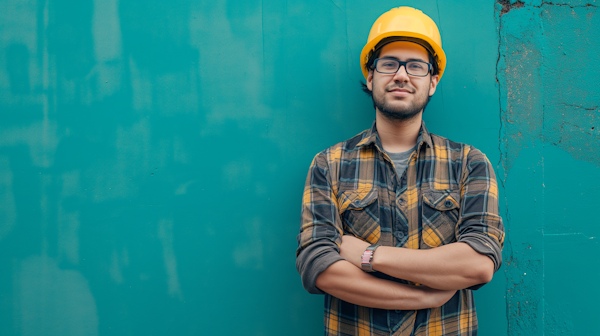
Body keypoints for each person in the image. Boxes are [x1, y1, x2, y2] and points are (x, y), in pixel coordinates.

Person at [295, 6, 505, 336]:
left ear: (433, 82)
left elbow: (478, 263)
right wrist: (421, 297)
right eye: (389, 64)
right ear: (371, 76)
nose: (401, 75)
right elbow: (318, 268)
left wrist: (367, 255)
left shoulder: (469, 163)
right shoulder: (329, 164)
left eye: (416, 66)